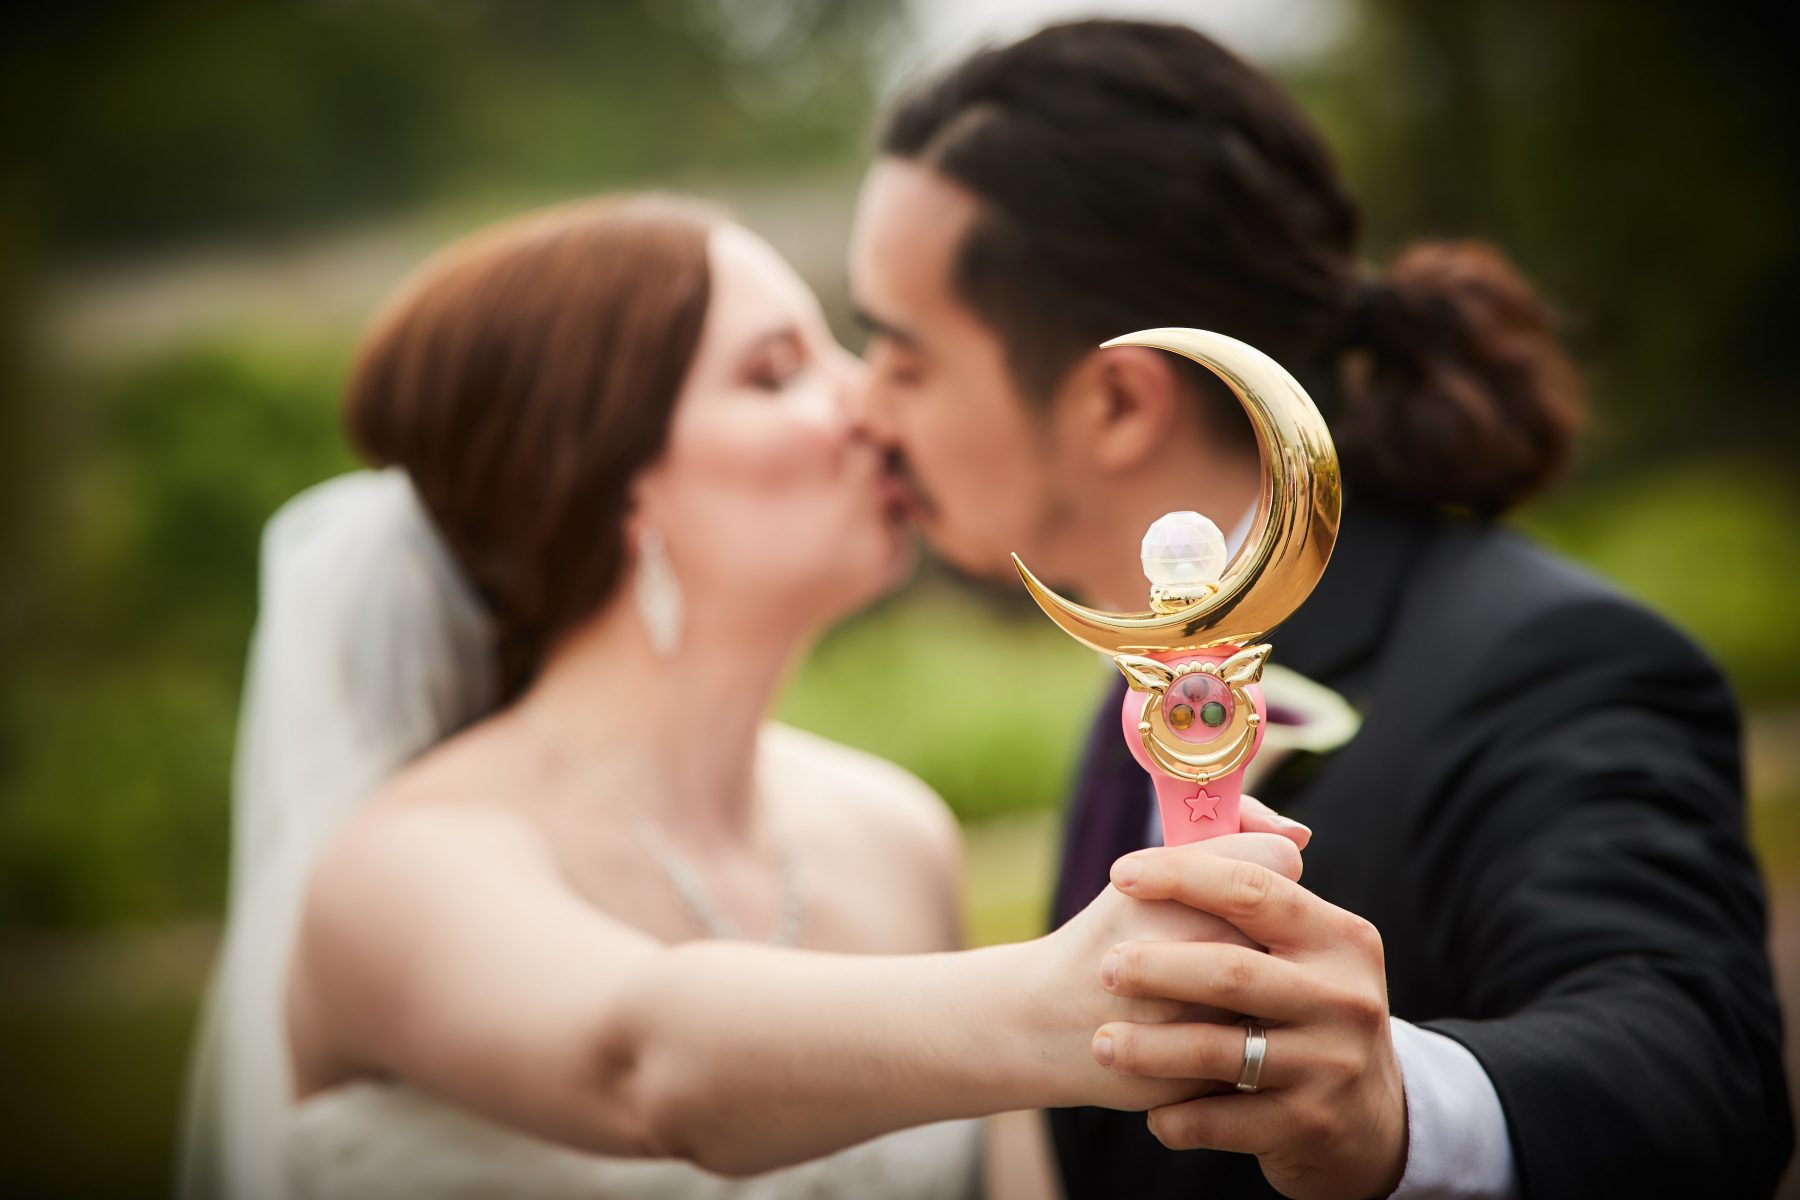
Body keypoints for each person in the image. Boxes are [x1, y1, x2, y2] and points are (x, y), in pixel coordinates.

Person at [177, 193, 1311, 1200]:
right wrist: (1079, 1003)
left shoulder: (894, 832)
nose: (871, 404)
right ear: (614, 482)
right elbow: (644, 1067)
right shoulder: (400, 870)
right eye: (776, 372)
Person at [849, 18, 1792, 1199]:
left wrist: (1401, 1107)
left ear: (1119, 404)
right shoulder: (1146, 673)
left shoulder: (1557, 660)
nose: (864, 412)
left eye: (901, 356)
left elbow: (1701, 1070)